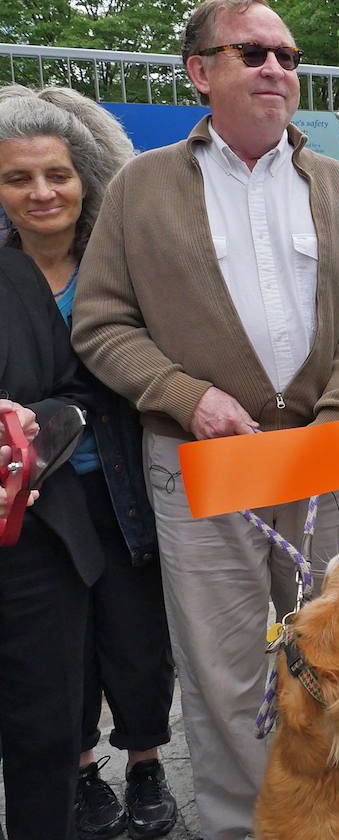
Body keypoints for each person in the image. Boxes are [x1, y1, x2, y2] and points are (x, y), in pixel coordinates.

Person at [72, 0, 339, 840]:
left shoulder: (337, 184)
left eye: (288, 55)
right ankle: (240, 825)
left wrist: (338, 414)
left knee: (331, 653)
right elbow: (100, 322)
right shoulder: (140, 188)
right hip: (200, 462)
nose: (277, 69)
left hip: (317, 457)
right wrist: (187, 396)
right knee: (223, 666)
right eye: (253, 53)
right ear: (198, 71)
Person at [0, 87, 177, 839]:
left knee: (136, 636)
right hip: (34, 509)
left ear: (87, 177)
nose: (42, 193)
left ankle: (145, 763)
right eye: (18, 178)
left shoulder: (122, 262)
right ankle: (77, 771)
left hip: (122, 484)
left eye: (58, 175)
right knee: (53, 654)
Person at [0, 248, 98, 840]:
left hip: (39, 551)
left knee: (47, 740)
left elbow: (75, 393)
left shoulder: (15, 273)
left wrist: (31, 428)